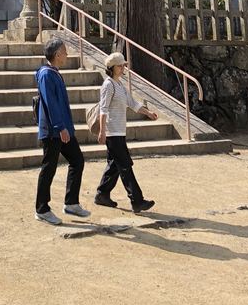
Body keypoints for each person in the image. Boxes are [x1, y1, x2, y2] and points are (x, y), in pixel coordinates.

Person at [34, 36, 90, 225]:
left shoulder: (54, 72)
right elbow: (51, 103)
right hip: (53, 130)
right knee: (48, 168)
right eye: (65, 51)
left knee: (77, 160)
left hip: (63, 128)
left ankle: (71, 202)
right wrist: (60, 127)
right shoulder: (46, 74)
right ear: (57, 54)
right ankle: (42, 208)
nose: (67, 55)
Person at [94, 51, 158, 213]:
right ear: (113, 67)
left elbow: (132, 102)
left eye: (123, 65)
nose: (123, 68)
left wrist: (148, 113)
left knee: (114, 165)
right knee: (125, 166)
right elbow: (103, 108)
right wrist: (102, 131)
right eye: (121, 65)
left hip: (119, 131)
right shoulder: (108, 85)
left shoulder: (119, 85)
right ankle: (137, 200)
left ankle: (102, 194)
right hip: (112, 132)